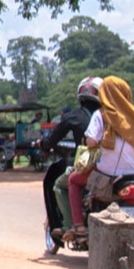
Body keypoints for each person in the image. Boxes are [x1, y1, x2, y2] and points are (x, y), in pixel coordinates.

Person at [67, 75, 134, 228]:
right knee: (133, 197)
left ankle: (78, 226)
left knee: (73, 180)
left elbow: (91, 143)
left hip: (107, 176)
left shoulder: (101, 115)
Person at [43, 77, 100, 253]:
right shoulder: (112, 115)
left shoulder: (75, 116)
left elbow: (52, 139)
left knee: (61, 184)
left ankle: (72, 225)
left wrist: (43, 144)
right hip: (115, 168)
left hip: (90, 167)